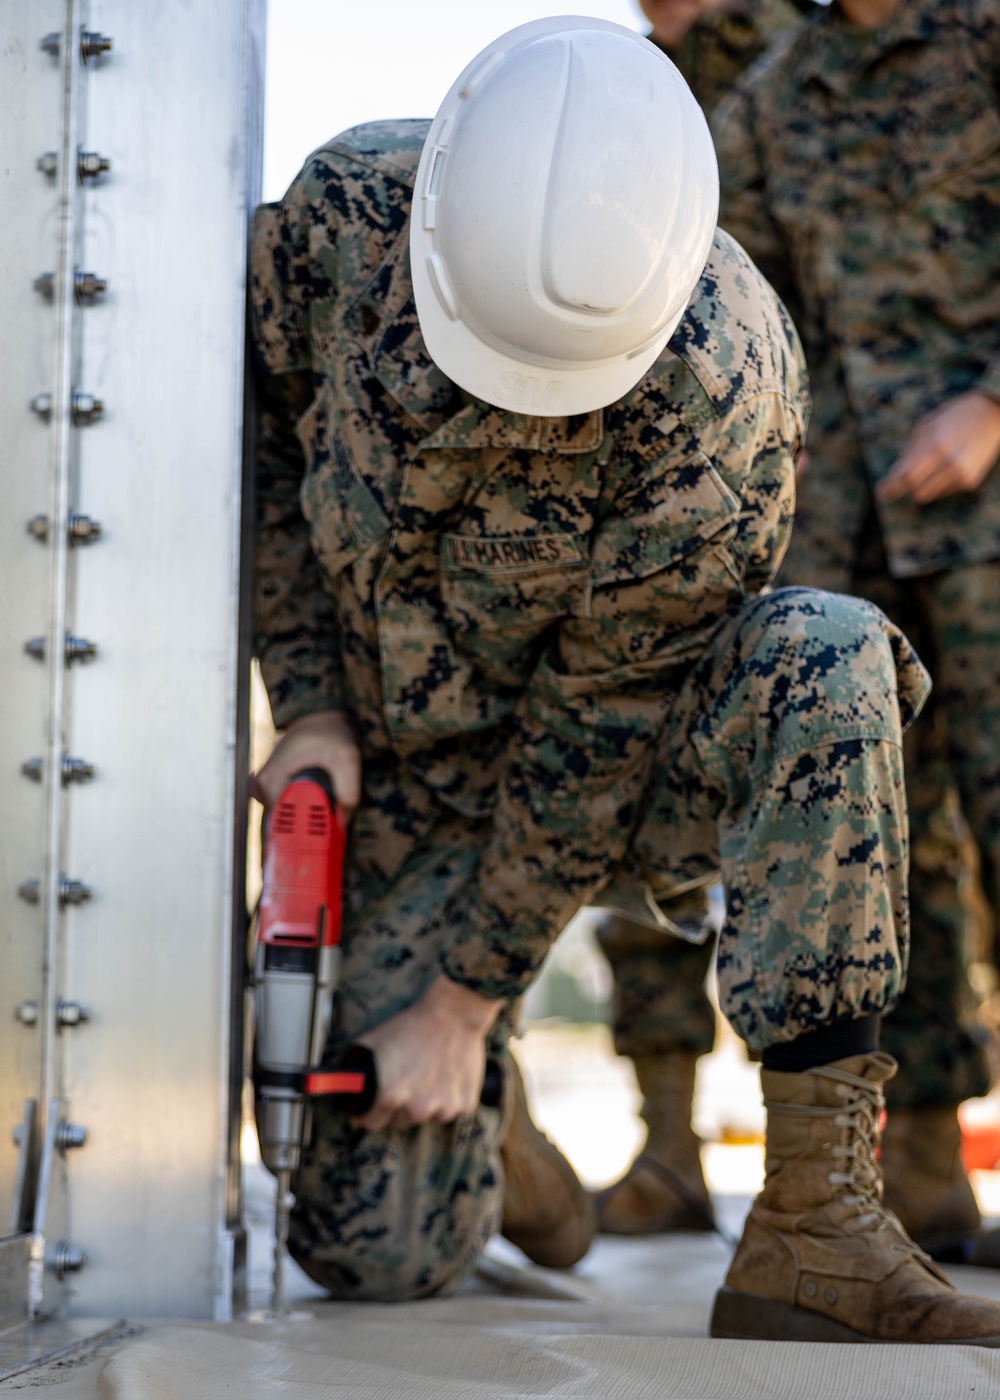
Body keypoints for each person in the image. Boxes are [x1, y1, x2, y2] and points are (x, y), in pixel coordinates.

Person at [251, 18, 1000, 1342]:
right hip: (405, 762)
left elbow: (596, 734)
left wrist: (456, 999)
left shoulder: (732, 386)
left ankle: (816, 1224)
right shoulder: (335, 222)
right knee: (364, 1246)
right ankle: (515, 1153)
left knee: (822, 661)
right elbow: (243, 450)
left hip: (626, 767)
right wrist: (309, 701)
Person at [714, 0, 1000, 1265]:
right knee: (901, 859)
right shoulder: (779, 89)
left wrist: (994, 408)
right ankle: (928, 1174)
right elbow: (742, 301)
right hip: (854, 528)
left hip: (989, 503)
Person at [595, 0, 821, 1240]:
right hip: (679, 505)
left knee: (890, 827)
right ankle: (667, 1140)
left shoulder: (816, 56)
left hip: (863, 493)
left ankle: (891, 1161)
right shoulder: (625, 85)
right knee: (635, 792)